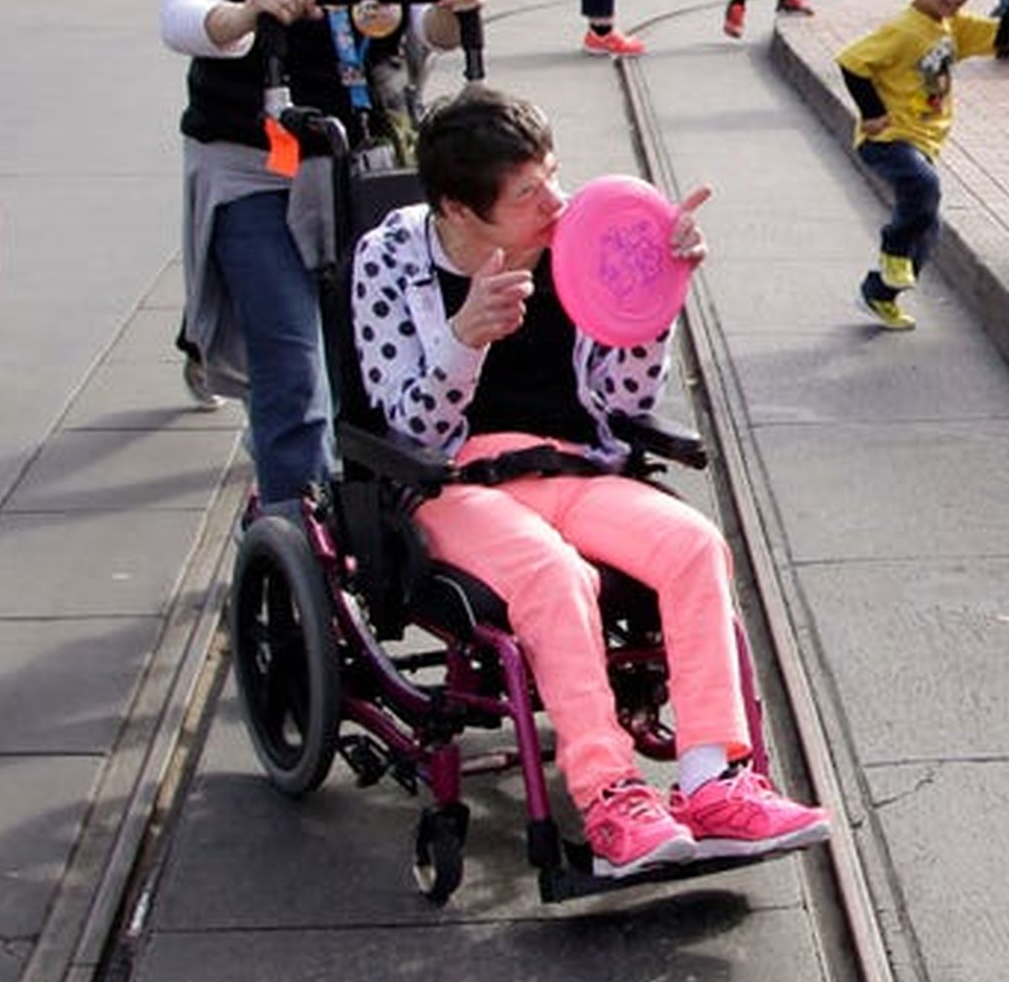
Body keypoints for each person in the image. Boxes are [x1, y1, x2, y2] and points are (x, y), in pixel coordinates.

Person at [346, 87, 831, 877]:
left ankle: (715, 781)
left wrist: (653, 293)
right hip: (454, 481)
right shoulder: (390, 258)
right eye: (528, 193)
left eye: (554, 176)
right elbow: (410, 432)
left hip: (573, 461)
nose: (556, 202)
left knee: (692, 542)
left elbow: (627, 402)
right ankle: (608, 798)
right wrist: (464, 340)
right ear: (459, 212)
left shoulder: (584, 242)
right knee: (552, 571)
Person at [158, 0, 489, 508]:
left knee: (380, 363)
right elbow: (182, 11)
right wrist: (245, 7)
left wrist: (453, 0)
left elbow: (431, 31)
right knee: (296, 374)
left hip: (374, 157)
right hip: (259, 154)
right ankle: (293, 549)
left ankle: (379, 531)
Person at [837, 0, 1001, 330]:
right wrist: (871, 112)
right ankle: (893, 251)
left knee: (928, 231)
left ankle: (879, 293)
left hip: (923, 140)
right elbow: (852, 62)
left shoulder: (953, 26)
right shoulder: (905, 29)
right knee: (925, 187)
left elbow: (1003, 35)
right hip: (889, 137)